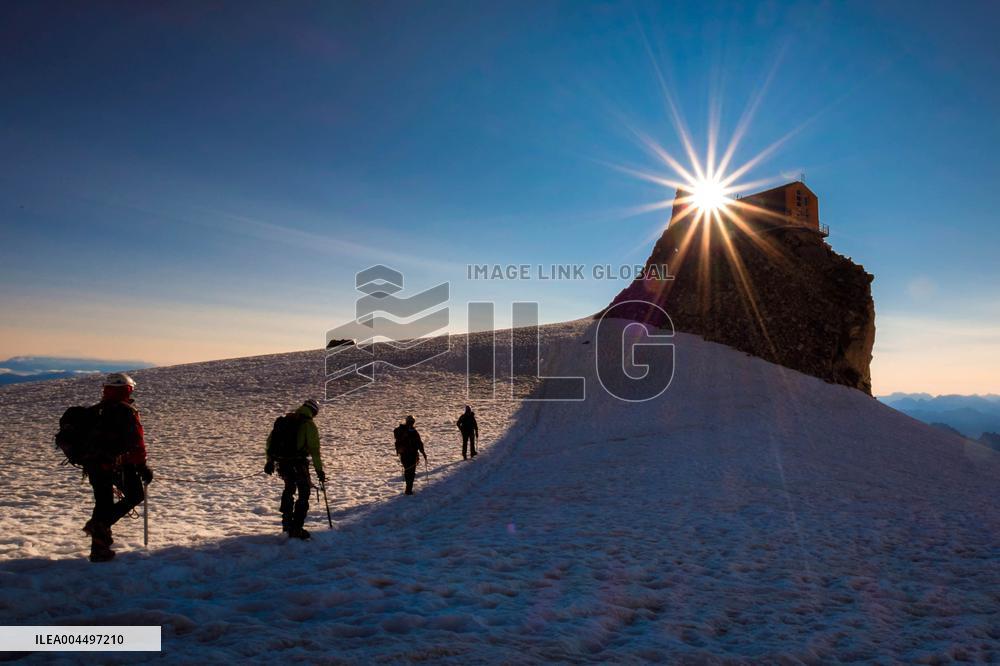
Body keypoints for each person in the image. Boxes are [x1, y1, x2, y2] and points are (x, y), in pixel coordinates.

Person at [83, 373, 153, 563]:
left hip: (94, 465)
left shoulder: (96, 410)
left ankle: (99, 550)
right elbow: (136, 442)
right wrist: (142, 466)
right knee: (135, 495)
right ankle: (100, 526)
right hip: (119, 465)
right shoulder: (126, 411)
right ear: (126, 389)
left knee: (103, 503)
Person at [264, 399, 325, 539]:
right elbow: (314, 450)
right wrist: (319, 471)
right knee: (304, 492)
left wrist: (269, 461)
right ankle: (297, 528)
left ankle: (287, 525)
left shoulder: (285, 421)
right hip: (298, 464)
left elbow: (269, 443)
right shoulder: (308, 424)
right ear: (314, 412)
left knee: (289, 489)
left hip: (283, 463)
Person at [393, 415, 426, 495]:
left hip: (406, 454)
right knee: (410, 471)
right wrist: (423, 453)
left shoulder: (402, 430)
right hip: (410, 454)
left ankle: (408, 489)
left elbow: (418, 442)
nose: (411, 423)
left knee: (408, 471)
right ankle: (408, 489)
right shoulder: (409, 431)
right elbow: (419, 443)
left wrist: (423, 452)